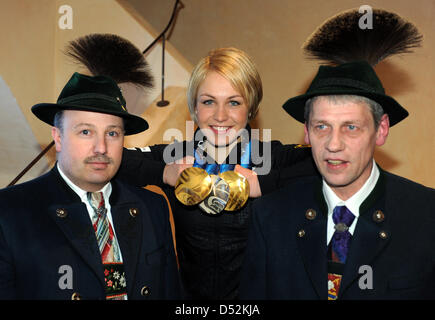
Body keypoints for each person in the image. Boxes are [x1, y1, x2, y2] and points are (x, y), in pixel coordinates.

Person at [239, 9, 435, 300]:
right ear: (306, 132)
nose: (333, 144)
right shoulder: (270, 217)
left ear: (381, 130)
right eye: (321, 127)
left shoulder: (425, 216)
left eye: (351, 127)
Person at [117, 47, 317, 299]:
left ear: (251, 107)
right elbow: (113, 158)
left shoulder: (270, 157)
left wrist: (263, 184)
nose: (220, 116)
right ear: (194, 108)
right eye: (208, 101)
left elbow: (325, 161)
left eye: (234, 102)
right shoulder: (177, 156)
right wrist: (163, 173)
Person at [0, 72, 181, 300]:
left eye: (112, 133)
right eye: (86, 132)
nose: (101, 148)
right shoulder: (10, 214)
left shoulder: (152, 208)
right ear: (58, 137)